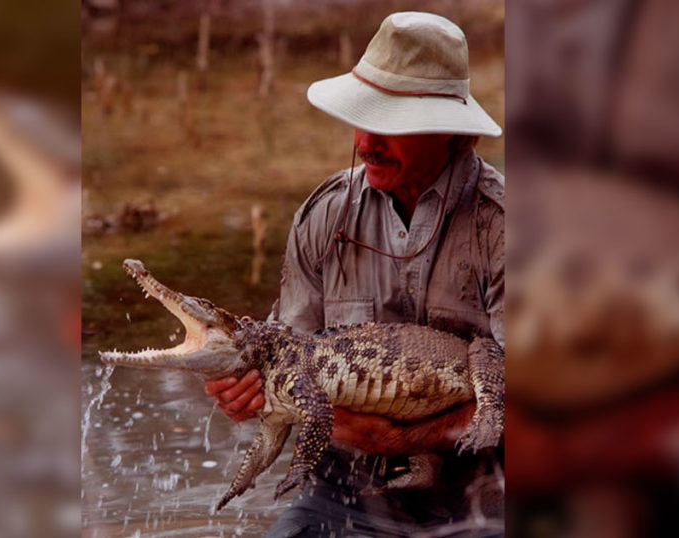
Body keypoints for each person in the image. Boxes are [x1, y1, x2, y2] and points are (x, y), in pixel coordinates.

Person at [206, 12, 505, 537]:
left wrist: (401, 440)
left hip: (481, 498)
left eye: (389, 125)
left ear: (451, 131)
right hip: (342, 492)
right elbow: (287, 359)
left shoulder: (505, 228)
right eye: (361, 119)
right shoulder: (323, 216)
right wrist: (248, 391)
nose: (366, 142)